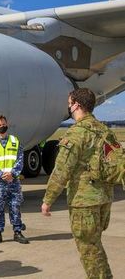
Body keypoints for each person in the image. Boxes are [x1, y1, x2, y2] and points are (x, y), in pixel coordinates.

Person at [42, 88, 114, 279]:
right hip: (104, 198)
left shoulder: (76, 133)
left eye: (69, 102)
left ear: (77, 105)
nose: (68, 106)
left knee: (89, 250)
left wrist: (48, 200)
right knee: (94, 246)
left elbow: (61, 170)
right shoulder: (104, 130)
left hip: (84, 202)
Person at [0, 115, 29, 245]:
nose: (2, 126)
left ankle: (17, 232)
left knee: (15, 207)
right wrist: (1, 175)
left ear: (7, 124)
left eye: (3, 124)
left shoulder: (15, 141)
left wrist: (13, 174)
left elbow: (20, 159)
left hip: (13, 181)